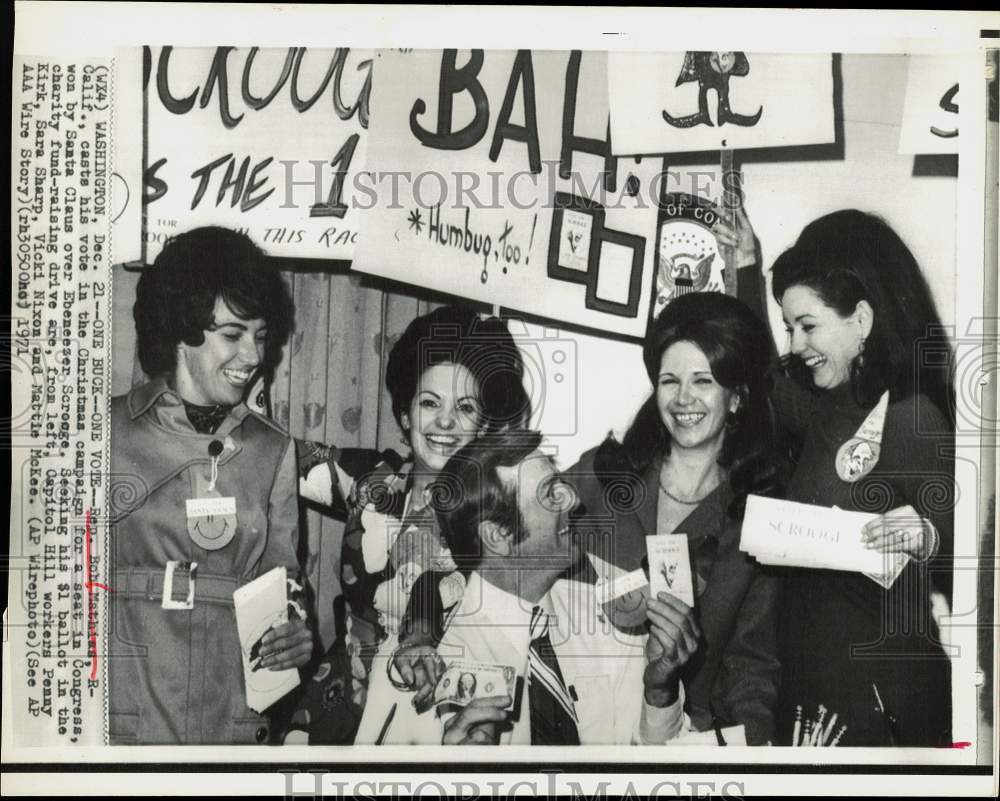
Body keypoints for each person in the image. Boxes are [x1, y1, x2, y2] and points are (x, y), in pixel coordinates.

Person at [716, 208, 955, 746]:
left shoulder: (912, 416)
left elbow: (973, 543)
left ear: (862, 322)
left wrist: (929, 533)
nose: (795, 343)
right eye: (788, 327)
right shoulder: (823, 408)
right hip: (812, 695)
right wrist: (747, 267)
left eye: (808, 326)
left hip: (886, 704)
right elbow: (762, 375)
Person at [285, 305, 530, 744]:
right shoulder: (369, 480)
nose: (445, 422)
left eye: (466, 407)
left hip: (433, 710)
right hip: (339, 699)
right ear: (404, 415)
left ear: (484, 425)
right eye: (430, 403)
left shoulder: (499, 514)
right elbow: (278, 456)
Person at [108, 226, 311, 744]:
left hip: (231, 727)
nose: (253, 356)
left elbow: (283, 585)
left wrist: (295, 634)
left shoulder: (272, 451)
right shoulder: (103, 435)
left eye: (261, 336)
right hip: (128, 723)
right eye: (233, 334)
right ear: (182, 328)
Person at [384, 430, 695, 746]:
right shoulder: (425, 664)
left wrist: (659, 693)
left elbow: (649, 773)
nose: (573, 499)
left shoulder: (609, 620)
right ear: (498, 536)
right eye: (550, 494)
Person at [570, 290, 783, 746]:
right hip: (568, 726)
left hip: (675, 740)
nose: (683, 399)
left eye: (703, 381)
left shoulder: (756, 526)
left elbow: (753, 667)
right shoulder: (602, 473)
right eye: (670, 381)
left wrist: (749, 762)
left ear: (738, 398)